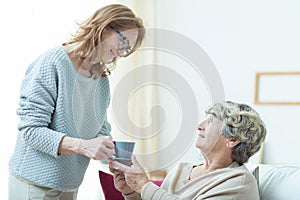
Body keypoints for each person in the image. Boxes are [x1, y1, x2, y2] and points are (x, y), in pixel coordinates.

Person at [8, 4, 145, 199]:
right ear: (104, 27)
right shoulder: (52, 63)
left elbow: (98, 130)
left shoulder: (101, 79)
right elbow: (31, 131)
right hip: (35, 183)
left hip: (69, 184)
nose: (122, 53)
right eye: (123, 41)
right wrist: (84, 146)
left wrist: (117, 159)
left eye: (128, 49)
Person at [109, 101, 267, 200]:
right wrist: (132, 193)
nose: (200, 125)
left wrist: (144, 186)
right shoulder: (182, 169)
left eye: (210, 121)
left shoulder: (238, 182)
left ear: (232, 140)